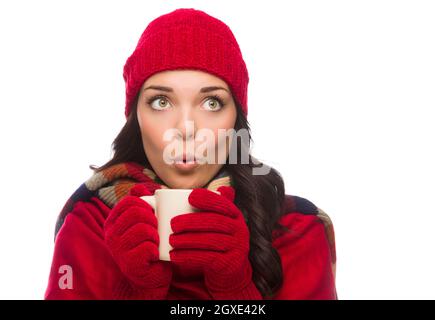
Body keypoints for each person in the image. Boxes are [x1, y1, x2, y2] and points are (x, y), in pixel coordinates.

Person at [45, 8, 337, 300]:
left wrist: (234, 290)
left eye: (211, 102)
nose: (186, 128)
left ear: (236, 120)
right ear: (136, 119)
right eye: (161, 101)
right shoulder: (88, 225)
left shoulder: (298, 229)